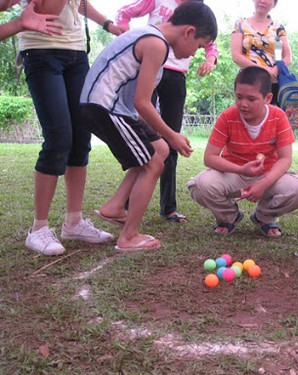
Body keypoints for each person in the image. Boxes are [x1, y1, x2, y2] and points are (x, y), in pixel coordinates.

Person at [81, 2, 218, 251]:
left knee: (160, 151)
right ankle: (129, 237)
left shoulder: (153, 37)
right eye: (199, 46)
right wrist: (172, 135)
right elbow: (142, 103)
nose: (194, 54)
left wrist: (162, 138)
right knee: (154, 162)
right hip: (104, 107)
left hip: (116, 108)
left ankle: (114, 207)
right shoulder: (156, 44)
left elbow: (139, 103)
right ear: (188, 31)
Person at [20, 0, 123, 256]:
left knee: (80, 138)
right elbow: (47, 12)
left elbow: (79, 4)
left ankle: (73, 222)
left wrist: (109, 25)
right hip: (42, 49)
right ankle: (38, 228)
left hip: (76, 53)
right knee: (59, 137)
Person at [115, 0, 218, 224]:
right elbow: (123, 13)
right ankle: (125, 204)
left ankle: (168, 207)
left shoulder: (198, 9)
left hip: (176, 75)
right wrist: (126, 37)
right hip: (150, 68)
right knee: (143, 138)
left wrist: (211, 59)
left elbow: (209, 41)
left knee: (172, 143)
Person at [187, 66, 298, 237]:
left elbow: (285, 159)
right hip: (233, 174)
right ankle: (229, 216)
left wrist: (263, 183)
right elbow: (209, 158)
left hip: (267, 175)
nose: (243, 104)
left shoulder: (278, 116)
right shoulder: (227, 116)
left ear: (268, 98)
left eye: (251, 99)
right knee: (200, 185)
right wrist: (241, 170)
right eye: (239, 97)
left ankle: (264, 217)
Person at [230, 0, 291, 106]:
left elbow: (287, 57)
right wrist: (264, 70)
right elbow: (236, 56)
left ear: (274, 4)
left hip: (272, 84)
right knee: (248, 118)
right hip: (248, 82)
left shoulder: (278, 27)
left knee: (272, 119)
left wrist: (275, 69)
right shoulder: (240, 24)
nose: (262, 1)